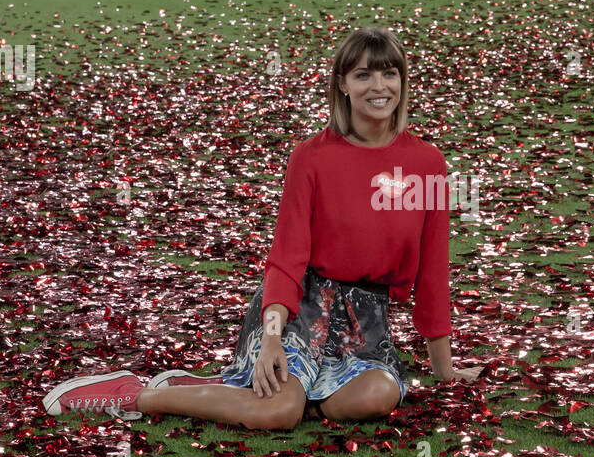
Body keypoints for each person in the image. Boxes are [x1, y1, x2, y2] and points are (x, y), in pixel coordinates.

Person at [41, 28, 481, 429]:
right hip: (301, 308)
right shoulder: (312, 157)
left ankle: (244, 389)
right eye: (363, 75)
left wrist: (444, 370)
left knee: (377, 397)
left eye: (389, 74)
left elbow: (433, 272)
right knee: (278, 411)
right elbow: (287, 258)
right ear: (343, 86)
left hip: (365, 324)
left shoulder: (428, 163)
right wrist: (272, 339)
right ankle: (139, 395)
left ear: (403, 83)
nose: (378, 86)